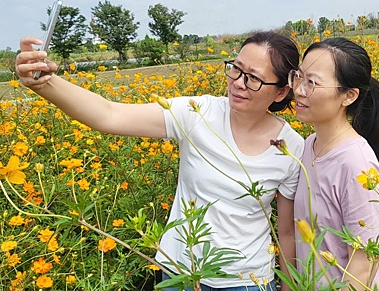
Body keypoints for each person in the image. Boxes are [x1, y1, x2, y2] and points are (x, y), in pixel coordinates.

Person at [15, 31, 304, 291]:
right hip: (180, 272)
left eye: (252, 78)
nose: (238, 84)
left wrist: (289, 286)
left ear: (281, 91)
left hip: (246, 280)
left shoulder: (291, 148)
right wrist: (45, 84)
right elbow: (110, 114)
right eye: (235, 69)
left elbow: (287, 231)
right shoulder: (197, 113)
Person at [289, 38, 379, 290]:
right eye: (299, 77)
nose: (299, 90)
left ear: (349, 95)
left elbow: (363, 267)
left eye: (312, 82)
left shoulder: (358, 166)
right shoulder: (308, 145)